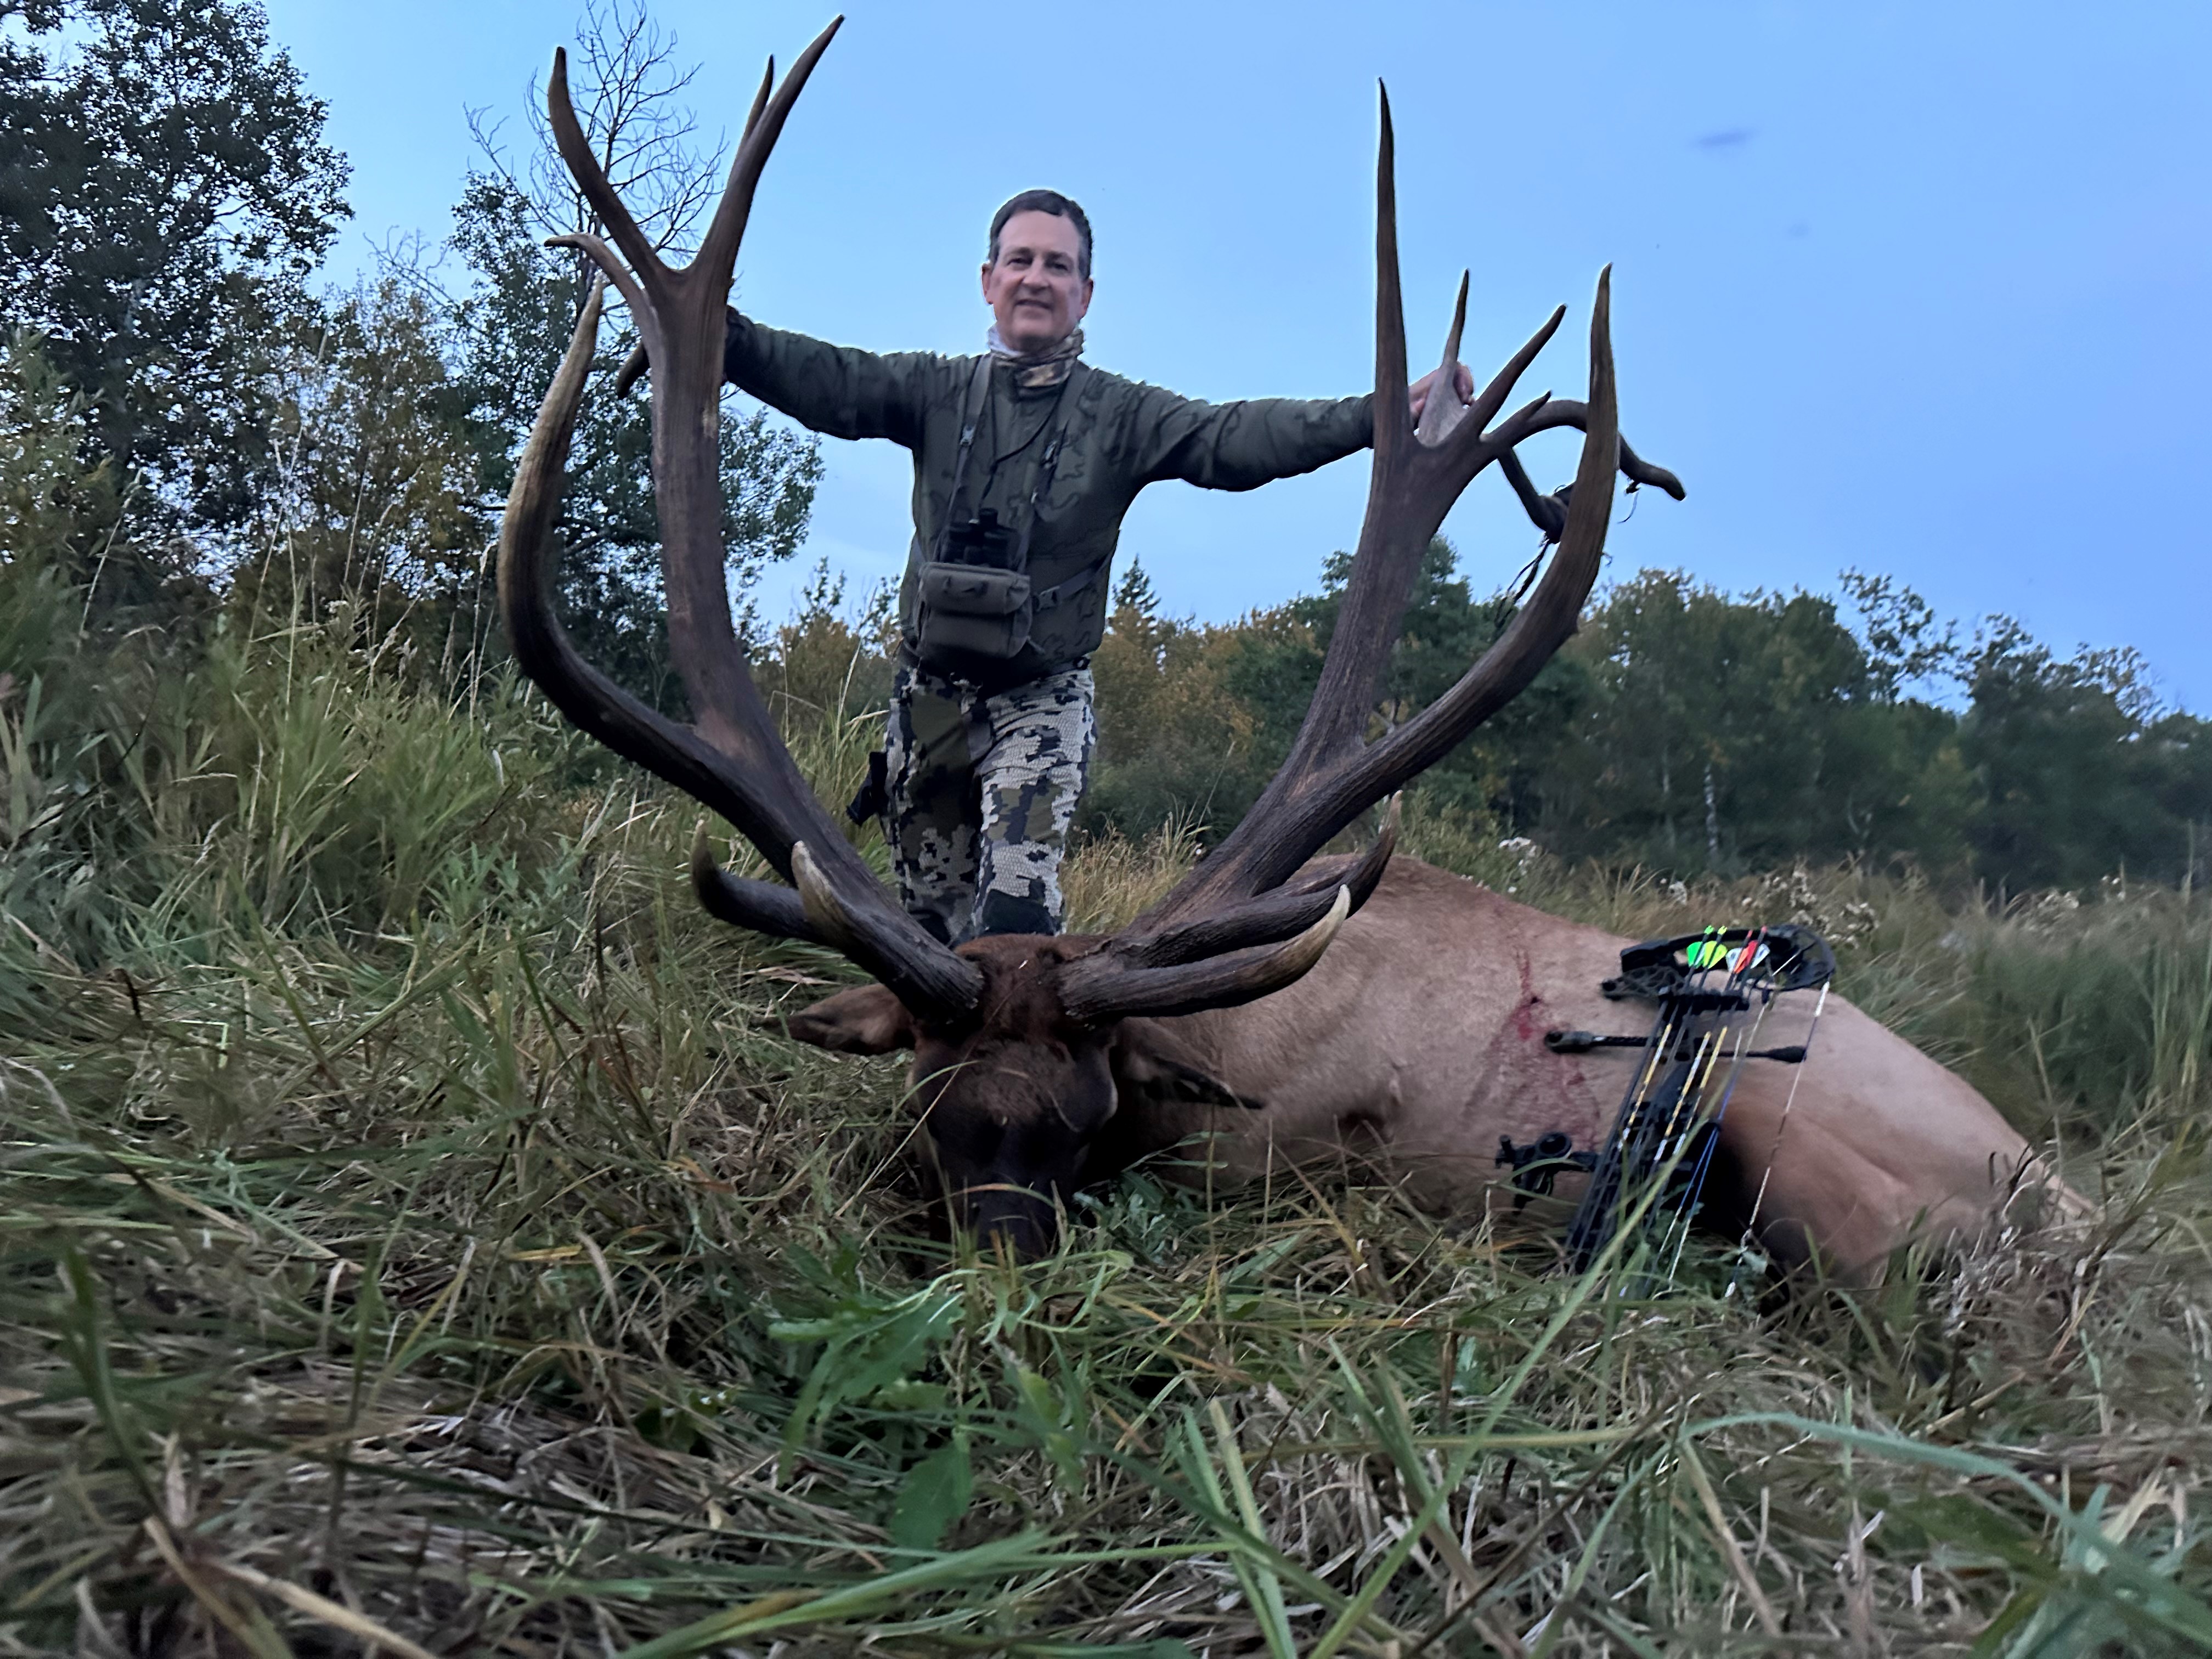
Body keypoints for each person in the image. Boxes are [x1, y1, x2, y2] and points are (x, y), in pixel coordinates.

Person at [719, 189, 1470, 944]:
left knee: (1014, 913)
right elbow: (832, 383)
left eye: (1058, 265)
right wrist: (728, 341)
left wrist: (1380, 412)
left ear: (1085, 294)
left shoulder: (1120, 416)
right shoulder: (934, 391)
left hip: (1040, 703)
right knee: (927, 930)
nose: (1036, 278)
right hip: (932, 702)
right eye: (1021, 261)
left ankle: (1033, 1055)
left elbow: (1233, 438)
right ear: (990, 280)